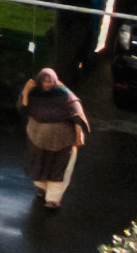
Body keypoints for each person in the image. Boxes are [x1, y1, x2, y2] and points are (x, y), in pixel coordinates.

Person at [21, 67, 91, 207]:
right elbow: (23, 108)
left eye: (51, 82)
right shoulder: (34, 92)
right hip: (37, 139)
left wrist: (79, 129)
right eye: (45, 82)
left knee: (58, 169)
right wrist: (26, 90)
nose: (48, 85)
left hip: (62, 142)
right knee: (39, 165)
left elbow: (77, 110)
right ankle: (42, 189)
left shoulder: (64, 94)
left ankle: (53, 199)